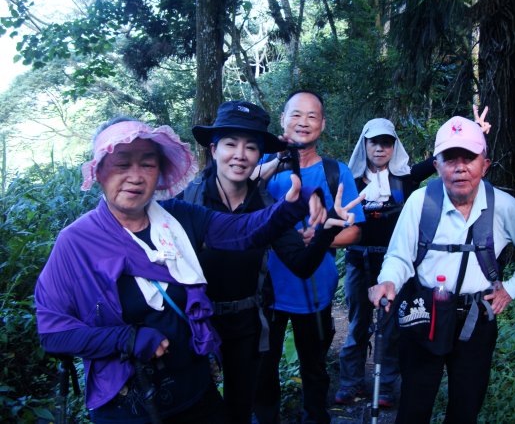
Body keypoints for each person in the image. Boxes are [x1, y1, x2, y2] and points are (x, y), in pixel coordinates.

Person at [34, 118, 332, 424]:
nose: (135, 177)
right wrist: (126, 338)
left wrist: (290, 206)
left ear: (159, 172)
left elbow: (242, 231)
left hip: (195, 390)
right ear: (99, 172)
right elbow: (53, 332)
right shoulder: (77, 242)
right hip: (129, 406)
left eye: (148, 165)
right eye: (122, 164)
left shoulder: (177, 218)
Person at [181, 100, 361, 424]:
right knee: (199, 404)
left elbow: (301, 262)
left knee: (250, 399)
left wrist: (324, 233)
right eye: (231, 144)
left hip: (251, 321)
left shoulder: (267, 204)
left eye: (250, 146)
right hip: (197, 324)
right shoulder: (188, 202)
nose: (240, 154)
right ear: (213, 148)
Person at [368, 115, 515, 424]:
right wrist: (388, 280)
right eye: (449, 158)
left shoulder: (502, 206)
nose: (460, 166)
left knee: (466, 406)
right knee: (414, 402)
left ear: (485, 164)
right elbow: (400, 255)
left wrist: (513, 287)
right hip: (424, 311)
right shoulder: (420, 202)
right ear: (437, 165)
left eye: (469, 157)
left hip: (476, 317)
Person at [253, 90, 366, 424]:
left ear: (323, 124)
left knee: (314, 368)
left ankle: (315, 418)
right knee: (263, 369)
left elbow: (355, 229)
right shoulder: (260, 167)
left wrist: (322, 237)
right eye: (296, 114)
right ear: (283, 119)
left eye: (312, 116)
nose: (303, 122)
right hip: (265, 291)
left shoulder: (336, 171)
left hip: (316, 288)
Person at [335, 118, 436, 407]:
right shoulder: (350, 181)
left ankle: (387, 386)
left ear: (394, 146)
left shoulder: (405, 178)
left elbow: (436, 160)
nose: (380, 148)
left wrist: (474, 133)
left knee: (392, 327)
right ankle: (350, 382)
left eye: (386, 143)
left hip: (395, 266)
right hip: (359, 262)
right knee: (358, 324)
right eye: (374, 142)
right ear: (364, 144)